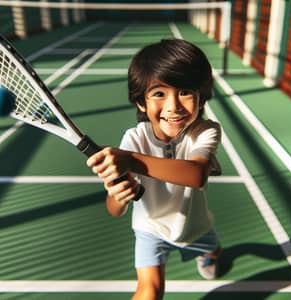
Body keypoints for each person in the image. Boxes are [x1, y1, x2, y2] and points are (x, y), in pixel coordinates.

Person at [87, 38, 222, 300]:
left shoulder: (205, 131)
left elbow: (196, 175)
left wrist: (132, 161)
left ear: (200, 97)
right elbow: (114, 210)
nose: (173, 106)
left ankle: (209, 256)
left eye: (185, 92)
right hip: (150, 228)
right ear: (141, 102)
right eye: (159, 94)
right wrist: (118, 195)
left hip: (194, 225)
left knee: (213, 249)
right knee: (149, 291)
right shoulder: (134, 140)